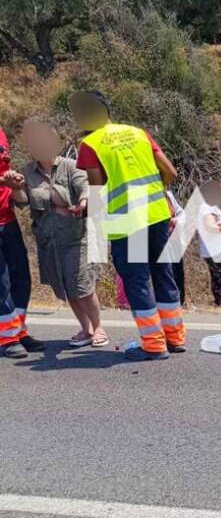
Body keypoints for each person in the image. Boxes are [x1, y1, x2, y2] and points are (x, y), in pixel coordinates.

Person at [71, 90, 185, 361]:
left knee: (137, 281)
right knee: (163, 274)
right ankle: (175, 338)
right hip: (156, 213)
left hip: (126, 220)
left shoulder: (91, 144)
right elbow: (170, 172)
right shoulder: (138, 133)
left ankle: (154, 345)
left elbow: (97, 190)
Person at [10, 119, 106, 348]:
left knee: (82, 286)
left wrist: (84, 201)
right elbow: (23, 203)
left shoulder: (71, 166)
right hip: (48, 240)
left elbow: (85, 186)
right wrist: (15, 188)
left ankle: (99, 327)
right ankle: (85, 328)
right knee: (64, 286)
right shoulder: (27, 172)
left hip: (75, 237)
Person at [0, 129, 42, 358]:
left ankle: (18, 330)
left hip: (7, 219)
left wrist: (14, 185)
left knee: (21, 277)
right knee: (1, 283)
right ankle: (7, 338)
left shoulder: (1, 134)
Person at [197, 181, 221, 306]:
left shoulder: (209, 206)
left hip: (214, 251)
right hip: (216, 251)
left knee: (218, 279)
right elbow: (210, 226)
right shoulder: (208, 207)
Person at [166, 190, 187, 306]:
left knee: (177, 272)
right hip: (158, 238)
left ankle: (179, 301)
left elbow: (181, 213)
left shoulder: (168, 194)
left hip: (174, 239)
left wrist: (176, 221)